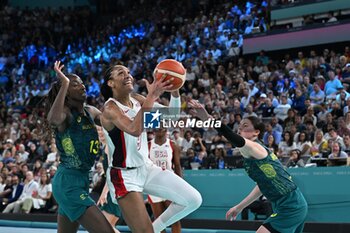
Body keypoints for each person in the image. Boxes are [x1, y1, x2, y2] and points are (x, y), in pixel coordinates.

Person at [100, 64, 202, 233]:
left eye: (128, 72)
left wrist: (175, 90)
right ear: (111, 83)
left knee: (193, 199)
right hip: (124, 176)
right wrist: (152, 96)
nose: (128, 75)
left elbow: (173, 116)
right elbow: (134, 129)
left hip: (146, 167)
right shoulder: (110, 108)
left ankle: (153, 230)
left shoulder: (138, 100)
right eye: (121, 73)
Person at [189, 99, 308, 233]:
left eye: (245, 125)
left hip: (291, 205)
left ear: (256, 132)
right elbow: (262, 186)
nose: (240, 128)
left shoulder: (255, 148)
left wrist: (208, 119)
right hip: (290, 205)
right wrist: (239, 207)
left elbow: (230, 135)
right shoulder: (253, 154)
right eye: (239, 126)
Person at [46, 61, 115, 233]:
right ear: (66, 92)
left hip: (82, 180)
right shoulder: (65, 115)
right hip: (68, 182)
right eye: (75, 84)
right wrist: (65, 84)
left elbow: (112, 122)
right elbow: (53, 120)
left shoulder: (90, 111)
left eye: (82, 83)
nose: (82, 86)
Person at [148, 127, 182, 233]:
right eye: (157, 127)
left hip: (169, 184)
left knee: (174, 219)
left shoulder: (173, 145)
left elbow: (177, 166)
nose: (159, 129)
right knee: (159, 220)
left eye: (162, 127)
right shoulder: (148, 146)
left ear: (166, 130)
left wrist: (180, 185)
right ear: (153, 130)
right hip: (154, 186)